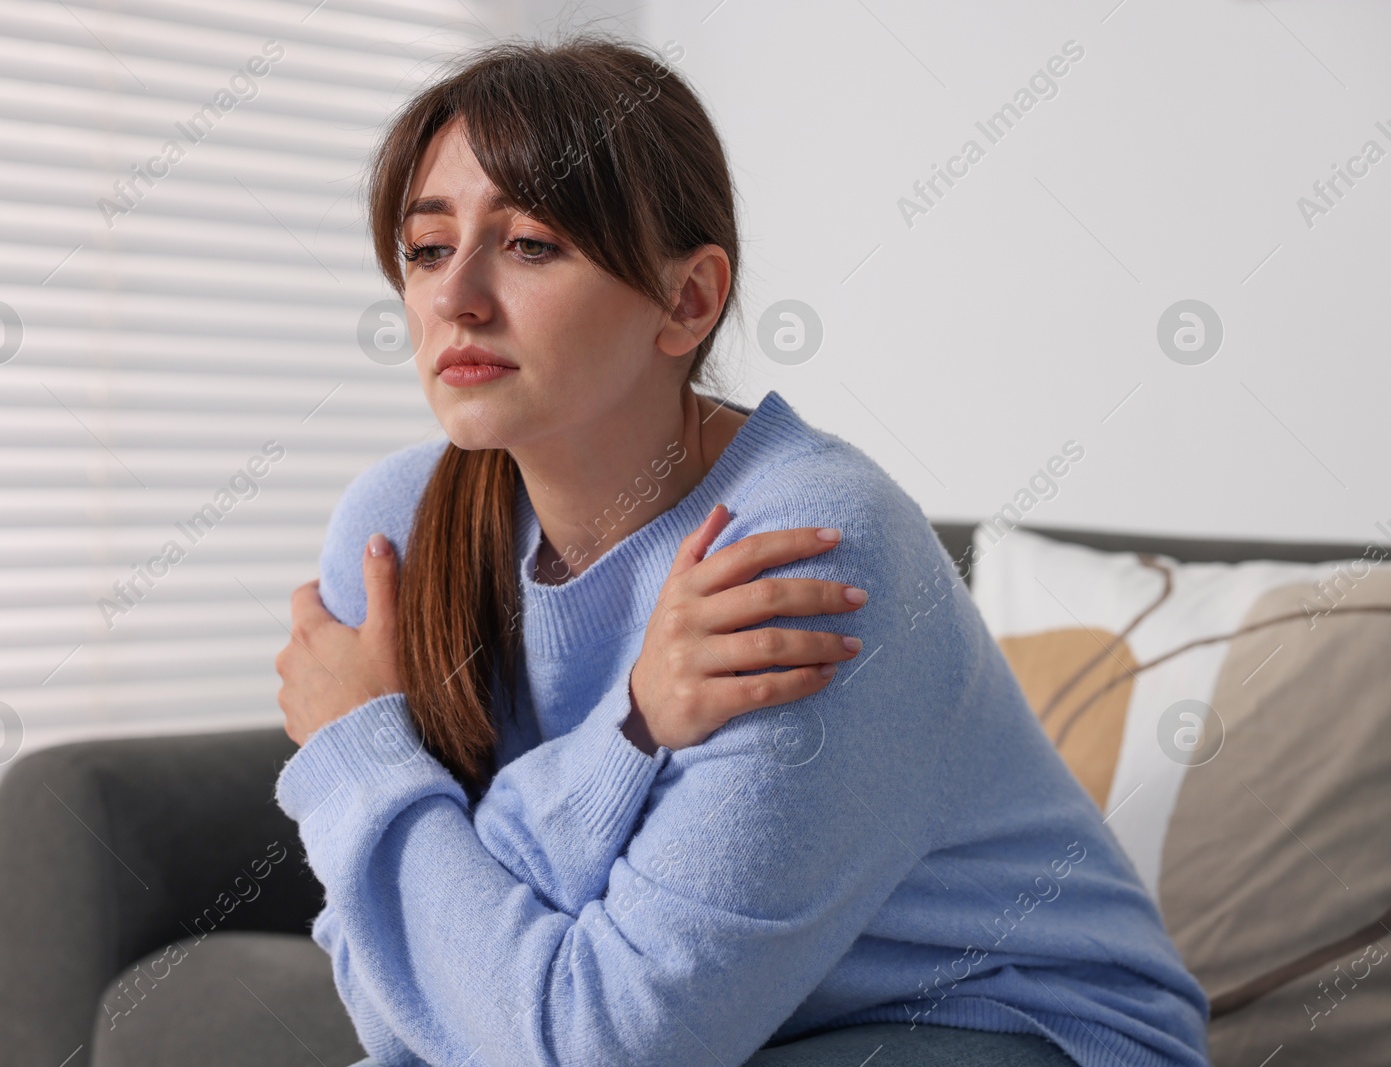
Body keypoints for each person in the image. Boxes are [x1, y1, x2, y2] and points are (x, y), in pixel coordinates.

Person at [271, 31, 1210, 1067]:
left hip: (1005, 1025)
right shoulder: (393, 528)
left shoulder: (805, 551)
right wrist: (632, 728)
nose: (456, 297)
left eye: (531, 243)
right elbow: (398, 1005)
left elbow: (606, 1044)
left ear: (688, 300)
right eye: (428, 247)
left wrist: (360, 756)